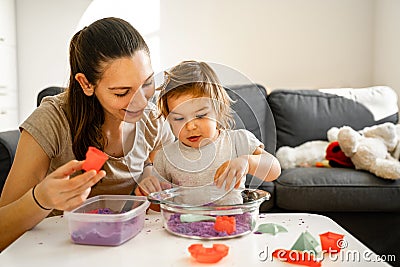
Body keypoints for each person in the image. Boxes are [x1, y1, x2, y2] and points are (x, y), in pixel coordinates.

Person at [0, 17, 174, 251]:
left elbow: (169, 178)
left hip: (124, 246)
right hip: (57, 250)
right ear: (86, 83)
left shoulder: (153, 121)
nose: (141, 102)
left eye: (147, 84)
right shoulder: (52, 120)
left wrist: (150, 175)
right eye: (122, 92)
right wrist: (41, 198)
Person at [135, 60, 281, 205]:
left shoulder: (238, 140)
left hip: (231, 223)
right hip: (184, 226)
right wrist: (149, 193)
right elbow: (157, 209)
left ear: (218, 110)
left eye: (200, 116)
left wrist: (248, 162)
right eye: (179, 118)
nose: (191, 126)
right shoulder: (165, 157)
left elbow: (274, 170)